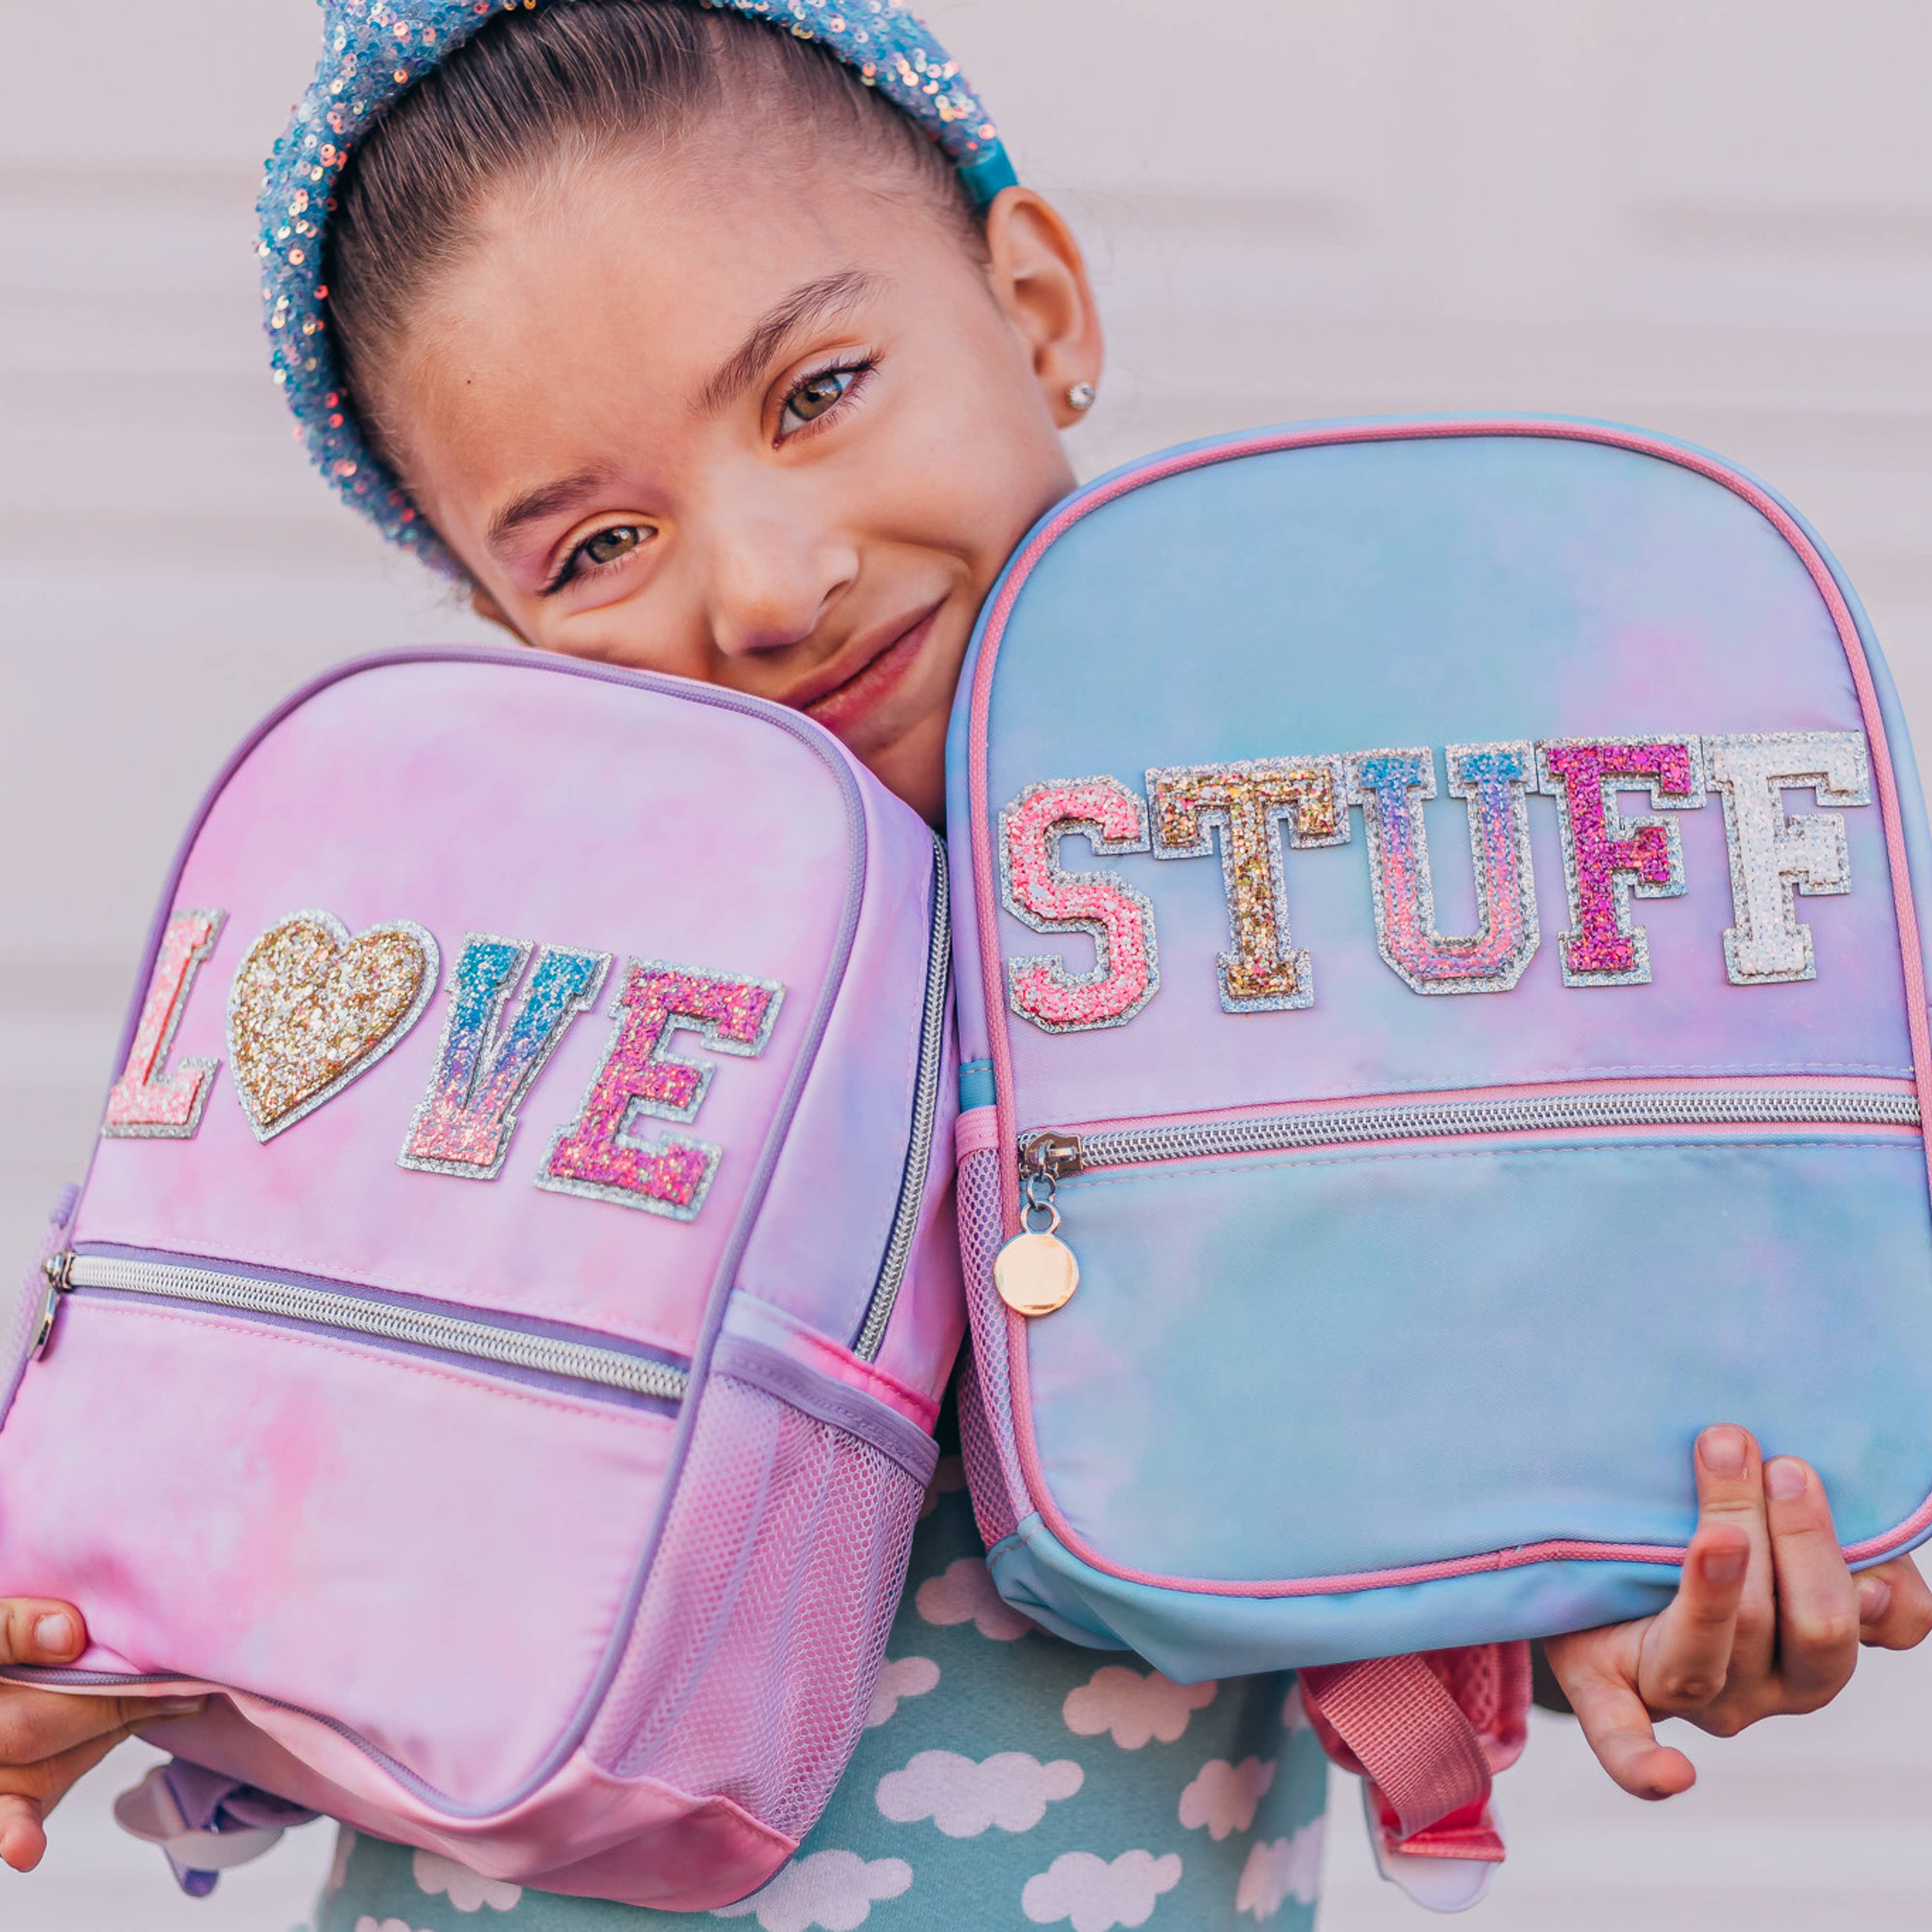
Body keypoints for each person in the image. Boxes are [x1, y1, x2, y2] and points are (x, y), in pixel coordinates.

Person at [2, 4, 1928, 1925]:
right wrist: (100, 1661)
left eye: (817, 389)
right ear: (485, 609)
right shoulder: (479, 999)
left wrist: (1582, 1599)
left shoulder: (1318, 903)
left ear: (1039, 307)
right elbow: (290, 1503)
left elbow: (1412, 1446)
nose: (766, 584)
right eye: (593, 545)